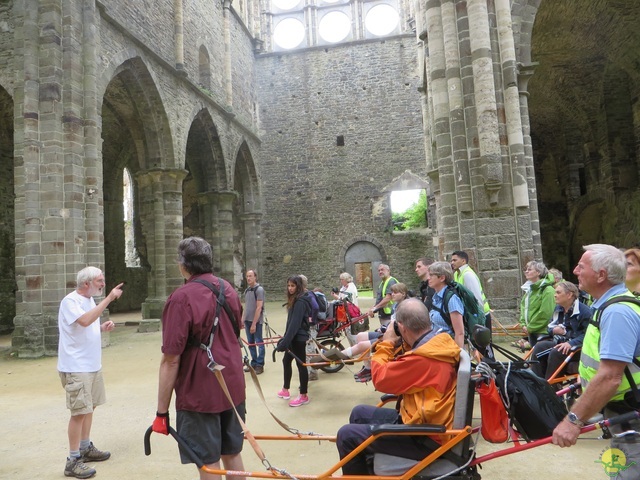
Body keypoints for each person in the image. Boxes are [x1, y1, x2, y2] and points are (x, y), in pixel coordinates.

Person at [152, 237, 246, 480]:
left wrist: (161, 412)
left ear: (184, 265)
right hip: (232, 385)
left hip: (200, 391)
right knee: (232, 453)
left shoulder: (181, 298)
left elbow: (171, 359)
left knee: (208, 462)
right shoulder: (228, 289)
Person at [336, 298, 460, 474]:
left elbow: (380, 379)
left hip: (425, 438)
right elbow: (402, 361)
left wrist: (386, 343)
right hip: (419, 419)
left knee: (347, 435)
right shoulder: (436, 343)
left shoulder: (424, 359)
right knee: (359, 413)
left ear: (402, 328)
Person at [552, 244, 640, 480]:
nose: (575, 270)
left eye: (581, 266)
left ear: (601, 275)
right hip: (624, 408)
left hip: (631, 410)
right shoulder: (606, 307)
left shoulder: (617, 312)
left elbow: (610, 377)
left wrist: (573, 420)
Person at [57, 267, 123, 479]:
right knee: (78, 412)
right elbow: (84, 321)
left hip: (92, 365)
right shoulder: (70, 301)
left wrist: (102, 327)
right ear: (86, 283)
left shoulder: (89, 300)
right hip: (76, 367)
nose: (103, 284)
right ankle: (73, 460)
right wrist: (110, 299)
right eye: (99, 281)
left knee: (89, 406)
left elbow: (87, 324)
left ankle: (85, 448)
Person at [313, 283, 411, 383]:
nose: (392, 294)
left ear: (403, 294)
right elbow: (392, 323)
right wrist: (383, 328)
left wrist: (384, 329)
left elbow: (399, 327)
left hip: (395, 338)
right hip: (388, 333)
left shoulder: (405, 307)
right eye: (392, 292)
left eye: (395, 292)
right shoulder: (396, 306)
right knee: (360, 336)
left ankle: (335, 356)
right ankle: (368, 368)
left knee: (361, 345)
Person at [529, 280, 591, 380]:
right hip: (561, 342)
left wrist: (571, 343)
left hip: (579, 348)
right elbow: (549, 328)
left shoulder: (584, 312)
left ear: (569, 295)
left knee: (557, 351)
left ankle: (551, 388)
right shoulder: (558, 309)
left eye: (558, 292)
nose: (555, 295)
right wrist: (553, 331)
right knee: (540, 346)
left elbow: (588, 335)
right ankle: (538, 383)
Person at [277, 275, 312, 407]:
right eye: (289, 285)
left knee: (301, 365)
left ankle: (303, 395)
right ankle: (285, 390)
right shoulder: (294, 300)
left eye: (293, 286)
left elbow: (295, 324)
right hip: (293, 337)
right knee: (286, 361)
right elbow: (290, 323)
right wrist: (284, 338)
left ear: (298, 286)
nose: (290, 288)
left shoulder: (301, 302)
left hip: (299, 338)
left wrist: (285, 342)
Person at [517, 260, 556, 349]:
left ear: (538, 272)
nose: (526, 271)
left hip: (542, 331)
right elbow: (524, 308)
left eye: (529, 269)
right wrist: (523, 324)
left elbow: (546, 313)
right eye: (526, 269)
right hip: (531, 330)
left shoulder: (548, 290)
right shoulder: (529, 290)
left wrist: (530, 327)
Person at [427, 261, 465, 348]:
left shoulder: (452, 299)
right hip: (437, 347)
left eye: (431, 275)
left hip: (448, 349)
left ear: (442, 278)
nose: (428, 278)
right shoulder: (435, 297)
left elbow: (459, 333)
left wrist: (457, 357)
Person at [450, 250, 492, 328]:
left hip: (480, 315)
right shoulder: (456, 274)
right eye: (451, 260)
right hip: (471, 315)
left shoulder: (467, 275)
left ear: (463, 261)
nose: (452, 262)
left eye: (455, 260)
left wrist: (479, 318)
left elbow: (476, 297)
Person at [243, 269, 265, 374]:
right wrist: (242, 320)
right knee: (251, 344)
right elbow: (246, 307)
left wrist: (254, 324)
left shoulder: (259, 290)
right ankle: (254, 363)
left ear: (255, 277)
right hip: (247, 321)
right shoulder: (247, 290)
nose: (248, 278)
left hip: (256, 322)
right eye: (247, 276)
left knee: (259, 342)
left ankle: (260, 365)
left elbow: (259, 308)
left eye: (250, 276)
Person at [331, 272, 360, 346]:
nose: (341, 281)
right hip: (345, 313)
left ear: (346, 279)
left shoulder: (351, 288)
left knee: (352, 332)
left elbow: (347, 301)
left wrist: (337, 297)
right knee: (347, 333)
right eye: (340, 279)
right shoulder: (343, 288)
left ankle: (357, 349)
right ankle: (353, 348)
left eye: (342, 279)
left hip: (351, 313)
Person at [367, 264, 398, 329]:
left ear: (388, 271)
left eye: (382, 270)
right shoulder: (382, 283)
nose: (380, 272)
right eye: (379, 270)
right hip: (384, 315)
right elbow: (379, 299)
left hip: (390, 316)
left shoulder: (391, 281)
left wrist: (374, 309)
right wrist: (373, 309)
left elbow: (388, 298)